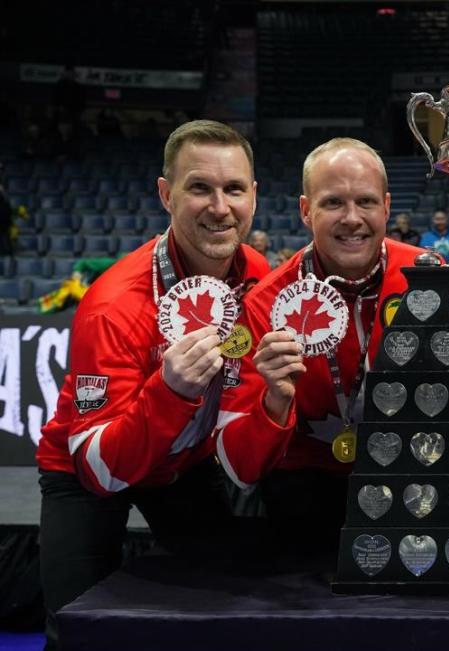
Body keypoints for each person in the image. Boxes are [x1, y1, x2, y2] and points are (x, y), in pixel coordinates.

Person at [36, 120, 271, 649]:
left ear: (253, 196)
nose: (219, 207)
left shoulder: (255, 274)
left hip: (181, 465)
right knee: (76, 626)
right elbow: (99, 471)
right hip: (86, 467)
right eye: (199, 188)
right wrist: (171, 391)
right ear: (167, 194)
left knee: (227, 595)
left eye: (233, 189)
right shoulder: (114, 305)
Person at [215, 138, 423, 549]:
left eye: (365, 201)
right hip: (304, 494)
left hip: (411, 481)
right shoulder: (264, 305)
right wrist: (273, 401)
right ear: (306, 211)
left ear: (386, 205)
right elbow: (239, 469)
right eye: (332, 203)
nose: (352, 218)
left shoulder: (429, 279)